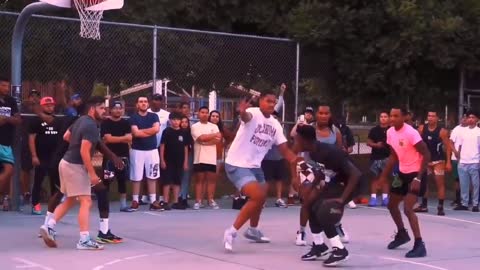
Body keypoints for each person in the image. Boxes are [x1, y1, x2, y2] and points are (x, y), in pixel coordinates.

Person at [222, 90, 298, 252]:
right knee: (257, 195)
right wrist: (242, 112)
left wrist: (298, 162)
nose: (271, 104)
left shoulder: (276, 125)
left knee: (261, 198)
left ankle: (253, 230)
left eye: (273, 101)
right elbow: (245, 118)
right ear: (261, 101)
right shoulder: (252, 113)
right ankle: (231, 232)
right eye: (268, 101)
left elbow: (285, 151)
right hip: (237, 163)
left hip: (255, 166)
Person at [39, 96, 107, 250]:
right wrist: (92, 174)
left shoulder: (80, 120)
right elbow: (84, 151)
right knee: (86, 201)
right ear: (92, 109)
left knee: (70, 199)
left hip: (66, 162)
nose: (104, 111)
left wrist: (76, 145)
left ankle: (49, 226)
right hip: (75, 166)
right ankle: (84, 240)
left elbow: (66, 136)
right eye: (101, 108)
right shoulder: (91, 126)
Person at [293, 125, 361, 266]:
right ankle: (319, 246)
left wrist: (342, 200)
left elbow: (356, 174)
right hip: (337, 181)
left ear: (304, 141)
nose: (294, 143)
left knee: (324, 210)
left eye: (296, 140)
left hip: (352, 183)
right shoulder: (313, 152)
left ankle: (339, 250)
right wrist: (311, 187)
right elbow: (320, 171)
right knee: (310, 204)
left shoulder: (329, 152)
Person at [378, 106, 430, 258]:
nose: (392, 119)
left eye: (395, 116)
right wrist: (383, 176)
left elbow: (426, 154)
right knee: (391, 205)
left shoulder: (411, 133)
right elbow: (394, 156)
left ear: (404, 117)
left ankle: (420, 244)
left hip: (416, 173)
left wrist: (418, 178)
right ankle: (401, 234)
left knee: (408, 209)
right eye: (390, 116)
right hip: (402, 173)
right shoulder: (389, 132)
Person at [295, 104, 349, 246]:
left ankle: (336, 225)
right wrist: (296, 174)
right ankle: (301, 231)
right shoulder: (308, 128)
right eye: (321, 113)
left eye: (326, 113)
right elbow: (297, 148)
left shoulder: (334, 131)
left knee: (332, 201)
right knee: (308, 201)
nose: (324, 116)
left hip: (328, 171)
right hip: (309, 168)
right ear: (316, 115)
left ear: (330, 115)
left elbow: (339, 153)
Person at [128, 96, 162, 211]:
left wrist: (141, 131)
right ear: (137, 104)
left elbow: (156, 129)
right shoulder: (133, 118)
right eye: (141, 102)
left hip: (152, 150)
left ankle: (153, 201)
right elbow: (136, 134)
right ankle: (135, 201)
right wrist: (148, 131)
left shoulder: (154, 116)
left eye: (145, 102)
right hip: (137, 150)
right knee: (136, 177)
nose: (143, 103)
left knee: (152, 176)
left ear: (148, 104)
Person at [29, 97, 61, 215]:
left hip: (54, 157)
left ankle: (53, 206)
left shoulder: (58, 121)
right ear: (42, 106)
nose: (50, 107)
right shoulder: (36, 120)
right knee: (38, 180)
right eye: (47, 105)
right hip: (41, 156)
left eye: (51, 105)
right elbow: (31, 138)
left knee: (55, 181)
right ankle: (35, 205)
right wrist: (34, 156)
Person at [415, 110, 451, 215]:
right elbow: (416, 143)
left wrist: (448, 162)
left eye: (433, 116)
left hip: (438, 160)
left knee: (439, 183)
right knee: (424, 183)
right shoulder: (422, 128)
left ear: (437, 118)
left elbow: (448, 147)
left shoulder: (442, 131)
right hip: (426, 160)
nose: (430, 118)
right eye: (429, 116)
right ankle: (424, 205)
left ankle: (440, 207)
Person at [100, 101, 131, 212]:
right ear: (110, 110)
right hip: (109, 157)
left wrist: (113, 138)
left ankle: (123, 205)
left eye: (120, 108)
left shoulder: (126, 123)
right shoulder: (105, 123)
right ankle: (105, 205)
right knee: (107, 180)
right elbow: (107, 139)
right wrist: (122, 138)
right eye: (115, 108)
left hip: (123, 157)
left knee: (122, 180)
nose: (118, 110)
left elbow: (129, 138)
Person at [191, 106, 221, 210]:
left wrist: (205, 141)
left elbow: (217, 139)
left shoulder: (214, 126)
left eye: (206, 112)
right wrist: (211, 136)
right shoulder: (195, 126)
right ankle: (198, 201)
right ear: (198, 114)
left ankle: (211, 200)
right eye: (202, 112)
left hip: (211, 158)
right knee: (200, 180)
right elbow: (200, 138)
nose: (204, 114)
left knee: (211, 180)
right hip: (199, 158)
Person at [0, 76, 22, 211]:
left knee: (9, 170)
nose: (6, 89)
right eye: (3, 86)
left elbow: (18, 120)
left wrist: (6, 118)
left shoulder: (11, 101)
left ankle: (6, 197)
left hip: (7, 142)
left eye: (7, 86)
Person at [160, 112, 189, 210]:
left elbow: (185, 148)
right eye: (174, 120)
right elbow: (162, 146)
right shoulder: (167, 131)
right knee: (167, 181)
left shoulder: (183, 132)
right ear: (170, 121)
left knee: (177, 181)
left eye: (178, 120)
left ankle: (176, 201)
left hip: (179, 161)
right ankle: (165, 201)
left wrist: (185, 162)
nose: (176, 122)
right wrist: (162, 160)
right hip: (168, 160)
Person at [454, 110, 480, 212]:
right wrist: (459, 158)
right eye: (469, 117)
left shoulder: (478, 131)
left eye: (473, 117)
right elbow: (460, 146)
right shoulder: (463, 132)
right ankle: (464, 203)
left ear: (477, 119)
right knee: (464, 184)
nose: (470, 119)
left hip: (475, 161)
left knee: (476, 184)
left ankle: (475, 204)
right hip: (463, 162)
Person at [20, 89, 41, 206]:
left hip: (40, 141)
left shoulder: (41, 109)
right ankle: (26, 192)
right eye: (32, 96)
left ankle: (37, 192)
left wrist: (36, 107)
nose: (34, 98)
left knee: (40, 168)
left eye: (36, 96)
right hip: (26, 140)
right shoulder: (23, 108)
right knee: (26, 168)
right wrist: (28, 104)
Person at [367, 111, 390, 207]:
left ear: (388, 118)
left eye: (385, 116)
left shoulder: (391, 130)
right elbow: (369, 142)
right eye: (381, 116)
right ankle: (373, 198)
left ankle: (385, 198)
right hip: (375, 157)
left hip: (387, 157)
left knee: (385, 178)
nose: (383, 118)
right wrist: (376, 145)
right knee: (375, 178)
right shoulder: (374, 130)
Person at [449, 115, 467, 206]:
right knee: (457, 179)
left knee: (467, 180)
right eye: (462, 118)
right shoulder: (456, 129)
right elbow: (451, 142)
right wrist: (455, 152)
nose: (464, 119)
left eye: (466, 118)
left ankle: (467, 198)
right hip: (456, 158)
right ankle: (457, 198)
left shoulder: (471, 130)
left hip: (467, 159)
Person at [179, 116, 193, 208]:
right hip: (177, 157)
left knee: (186, 178)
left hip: (188, 157)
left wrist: (186, 160)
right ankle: (179, 197)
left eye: (186, 122)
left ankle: (184, 197)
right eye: (182, 122)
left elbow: (189, 148)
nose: (184, 124)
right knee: (179, 178)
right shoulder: (176, 132)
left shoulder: (189, 134)